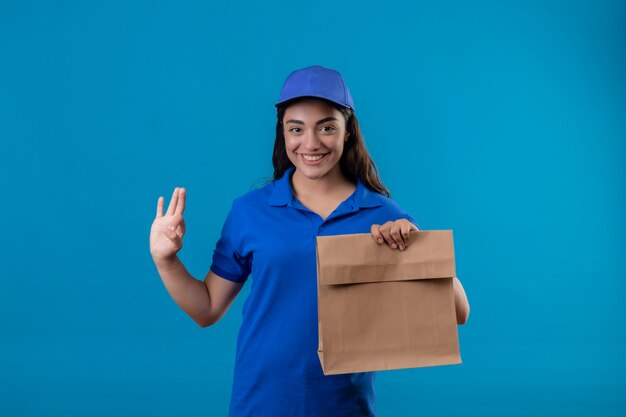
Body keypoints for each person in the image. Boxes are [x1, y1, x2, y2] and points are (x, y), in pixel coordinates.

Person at [149, 65, 470, 417]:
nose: (311, 143)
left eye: (327, 127)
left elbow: (458, 313)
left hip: (345, 408)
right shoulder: (249, 211)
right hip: (260, 404)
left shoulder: (384, 216)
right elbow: (207, 308)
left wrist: (417, 252)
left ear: (348, 132)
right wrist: (166, 260)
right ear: (283, 134)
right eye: (296, 129)